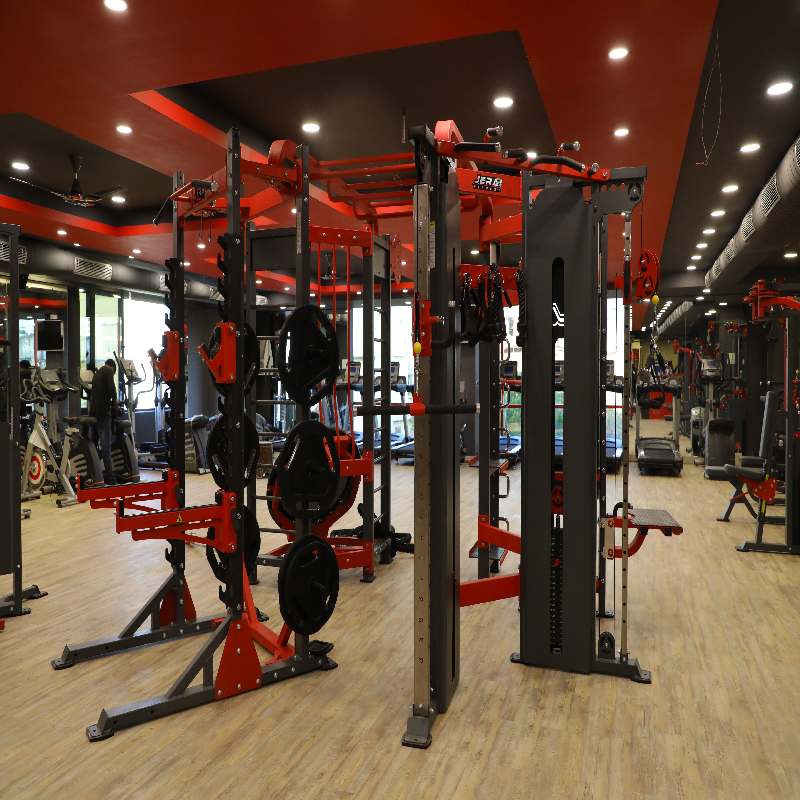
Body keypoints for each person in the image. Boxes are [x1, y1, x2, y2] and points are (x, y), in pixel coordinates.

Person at [90, 359, 118, 486]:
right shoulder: (108, 371)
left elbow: (99, 394)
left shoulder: (97, 374)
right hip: (102, 417)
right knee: (106, 448)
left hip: (93, 415)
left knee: (93, 448)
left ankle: (94, 476)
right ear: (112, 368)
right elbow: (111, 390)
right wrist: (115, 402)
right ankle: (111, 479)